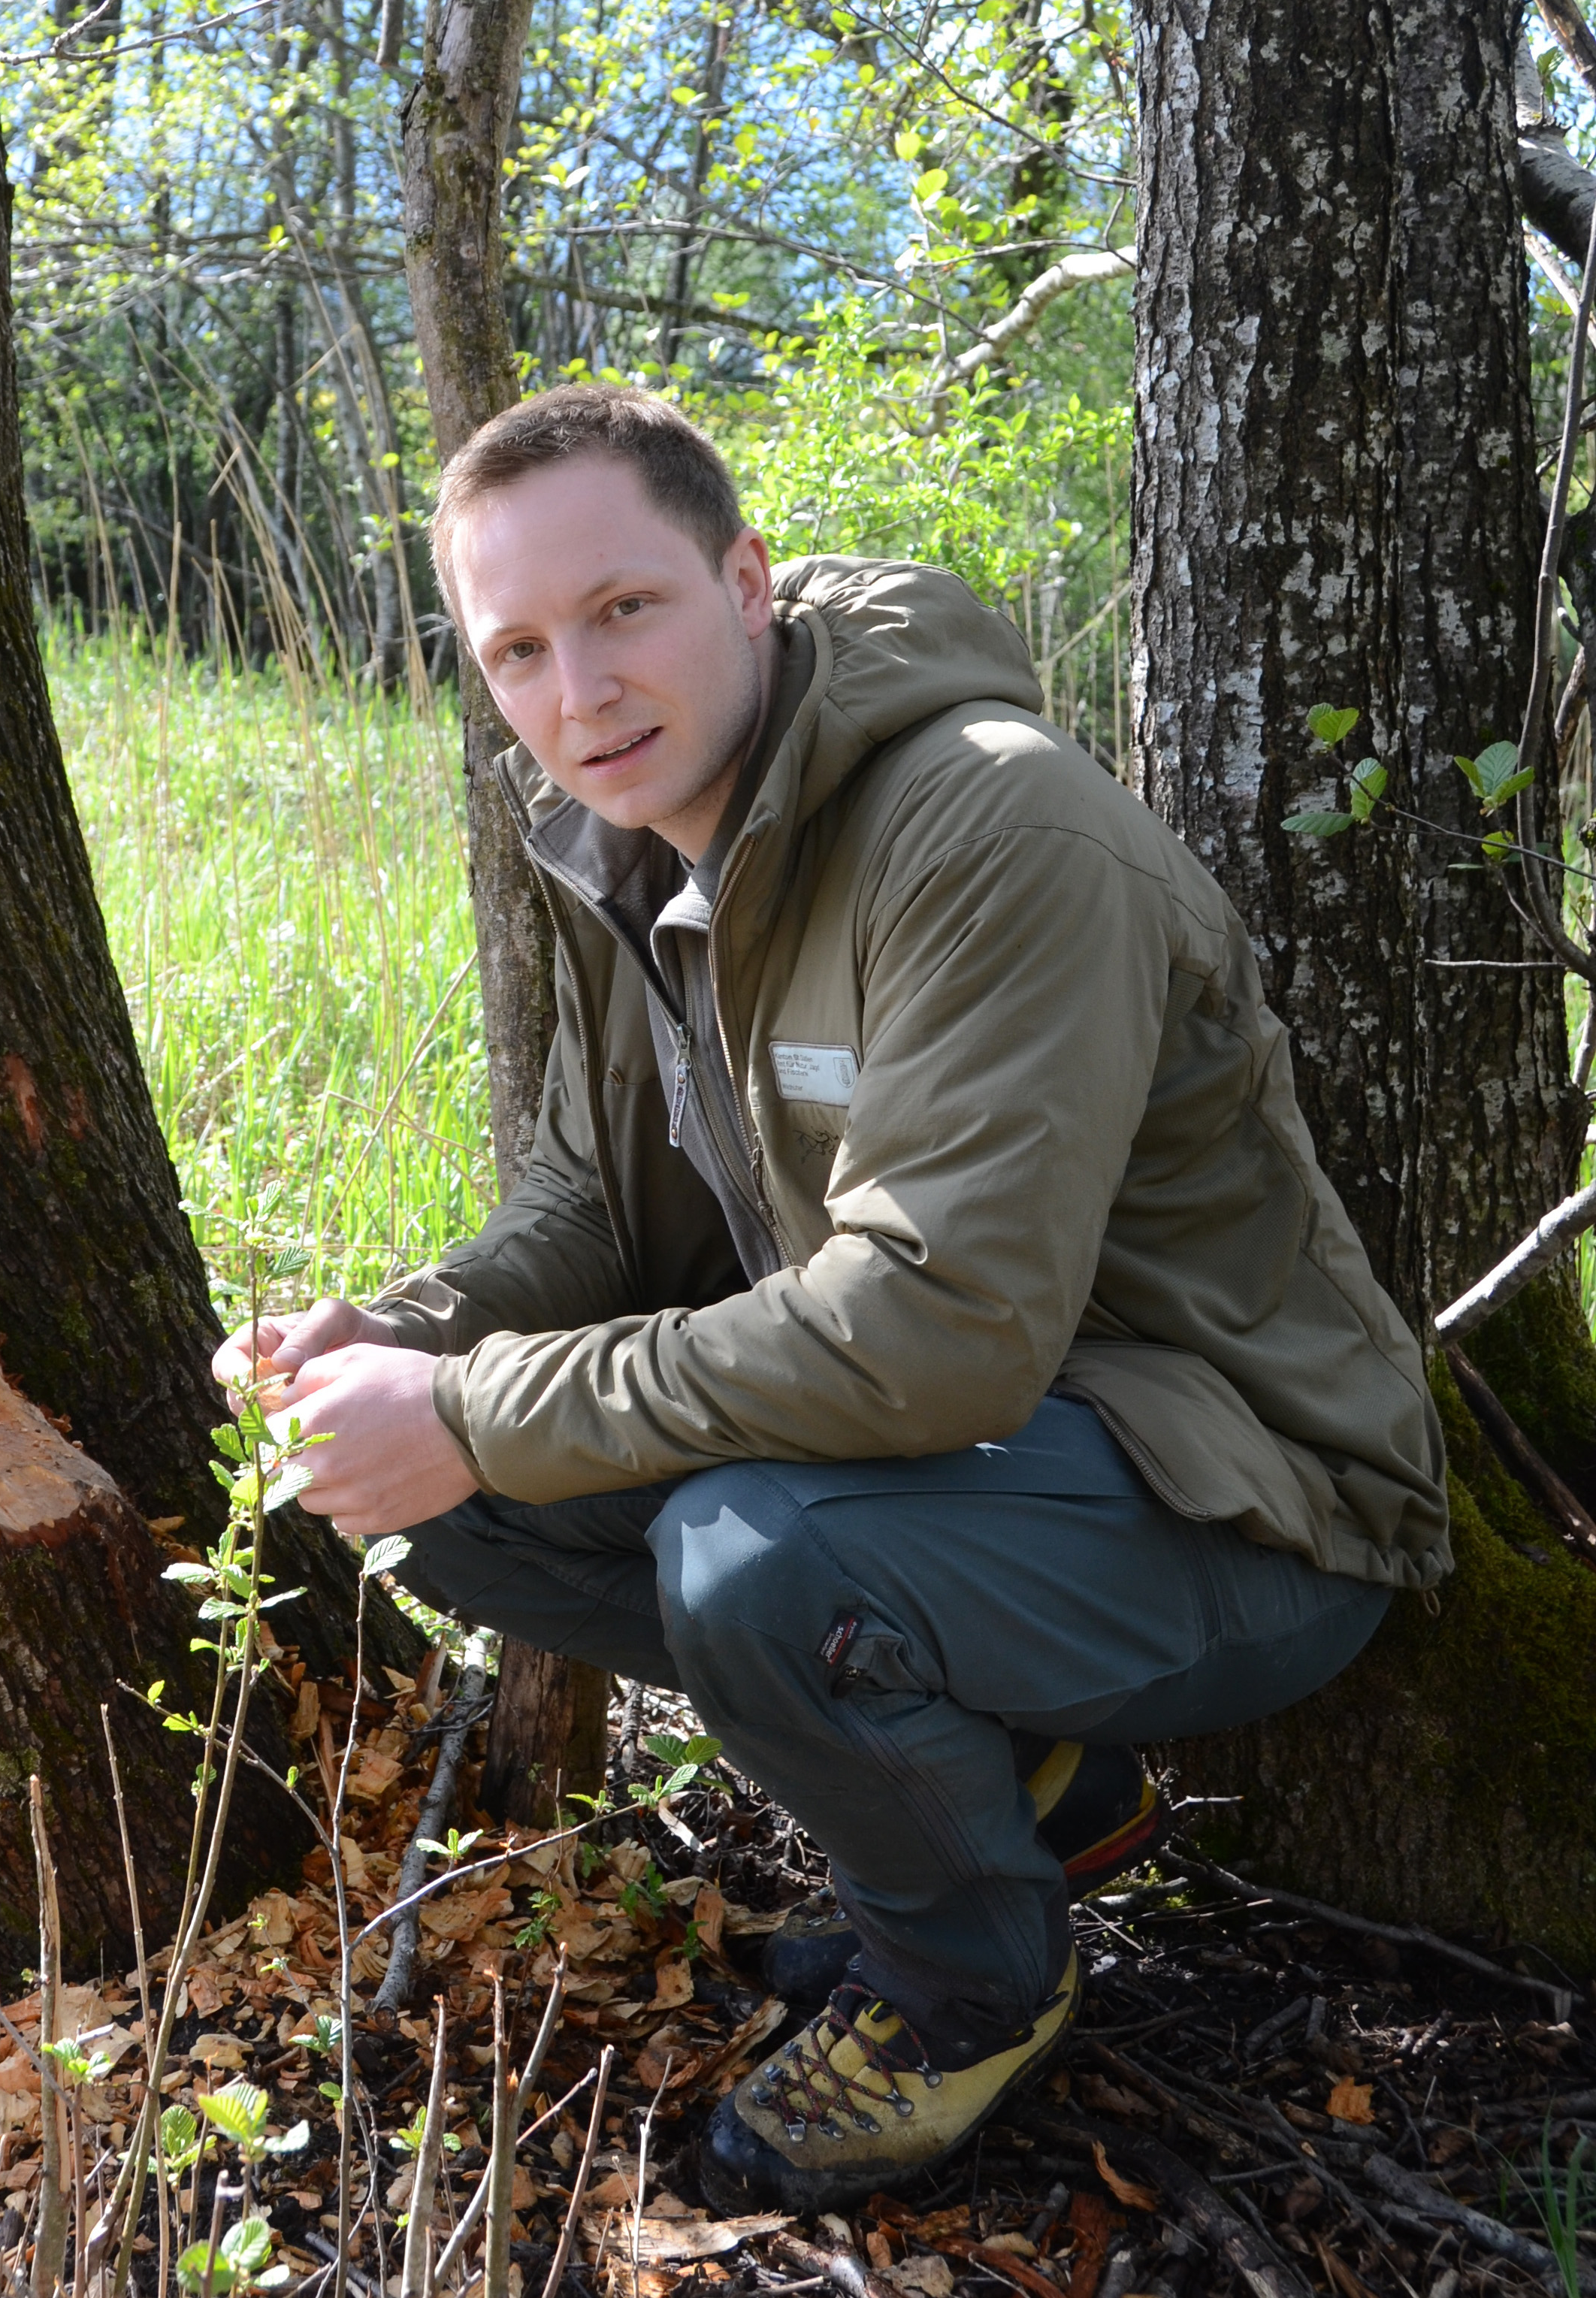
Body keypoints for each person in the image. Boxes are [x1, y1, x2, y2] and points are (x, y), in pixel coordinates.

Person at [211, 384, 1449, 2212]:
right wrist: (409, 1338)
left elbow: (940, 1324)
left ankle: (969, 1989)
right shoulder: (638, 830)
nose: (580, 690)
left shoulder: (993, 823)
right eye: (520, 649)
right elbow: (591, 1199)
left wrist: (473, 1405)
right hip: (971, 1468)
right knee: (439, 1492)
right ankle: (1036, 1797)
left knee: (753, 1558)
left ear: (745, 582)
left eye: (625, 608)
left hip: (1246, 1495)